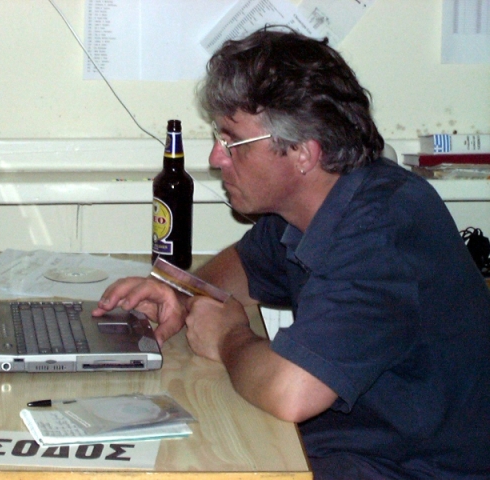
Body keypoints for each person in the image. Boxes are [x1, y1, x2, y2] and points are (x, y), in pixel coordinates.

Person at [93, 28, 490, 479]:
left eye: (232, 141)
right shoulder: (306, 205)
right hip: (350, 448)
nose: (216, 158)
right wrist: (175, 294)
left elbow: (290, 392)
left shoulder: (380, 230)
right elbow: (244, 265)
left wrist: (229, 338)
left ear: (302, 152)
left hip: (410, 468)